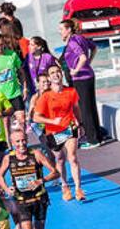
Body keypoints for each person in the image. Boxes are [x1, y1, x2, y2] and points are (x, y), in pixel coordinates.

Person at [0, 129, 58, 229]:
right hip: (22, 202)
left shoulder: (36, 154)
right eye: (17, 141)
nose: (21, 144)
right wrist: (6, 189)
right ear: (12, 143)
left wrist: (41, 180)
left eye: (23, 140)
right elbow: (0, 176)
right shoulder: (8, 158)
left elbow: (55, 172)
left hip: (39, 199)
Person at [33, 65, 84, 201]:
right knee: (60, 159)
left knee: (72, 157)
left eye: (58, 72)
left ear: (61, 74)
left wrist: (80, 123)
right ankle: (65, 186)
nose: (56, 74)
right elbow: (36, 117)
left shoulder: (71, 91)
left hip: (69, 127)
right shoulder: (46, 96)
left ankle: (78, 188)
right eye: (52, 73)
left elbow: (76, 108)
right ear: (49, 78)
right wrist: (52, 121)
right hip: (53, 132)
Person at [59, 19, 103, 149]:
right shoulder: (80, 38)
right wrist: (89, 62)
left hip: (81, 78)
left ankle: (92, 140)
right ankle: (97, 137)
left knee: (85, 109)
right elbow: (94, 48)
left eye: (61, 29)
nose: (60, 32)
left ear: (68, 29)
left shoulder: (72, 42)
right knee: (91, 107)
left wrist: (76, 70)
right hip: (89, 75)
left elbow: (82, 57)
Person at [0, 33, 25, 128]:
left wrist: (25, 87)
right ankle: (8, 143)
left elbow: (21, 71)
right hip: (0, 96)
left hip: (14, 93)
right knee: (5, 123)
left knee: (22, 119)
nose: (0, 48)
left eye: (1, 44)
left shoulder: (12, 55)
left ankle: (23, 141)